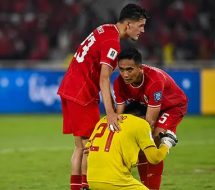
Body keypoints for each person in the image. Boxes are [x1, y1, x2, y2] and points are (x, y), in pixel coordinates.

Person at [57, 4, 149, 190]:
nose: (142, 30)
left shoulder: (105, 29)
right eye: (140, 25)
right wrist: (110, 113)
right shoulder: (112, 42)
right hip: (82, 93)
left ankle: (80, 188)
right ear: (129, 24)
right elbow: (104, 77)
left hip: (70, 88)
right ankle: (86, 187)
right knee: (90, 147)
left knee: (80, 147)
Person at [113, 48, 188, 190]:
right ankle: (145, 186)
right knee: (142, 143)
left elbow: (150, 122)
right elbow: (120, 115)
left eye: (130, 70)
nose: (125, 74)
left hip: (172, 107)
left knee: (152, 138)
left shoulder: (154, 80)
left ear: (140, 68)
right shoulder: (119, 83)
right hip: (147, 107)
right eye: (121, 70)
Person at [85, 102, 178, 190]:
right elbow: (154, 158)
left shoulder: (104, 120)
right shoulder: (141, 123)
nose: (151, 125)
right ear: (143, 116)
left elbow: (87, 150)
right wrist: (166, 143)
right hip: (116, 181)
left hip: (92, 180)